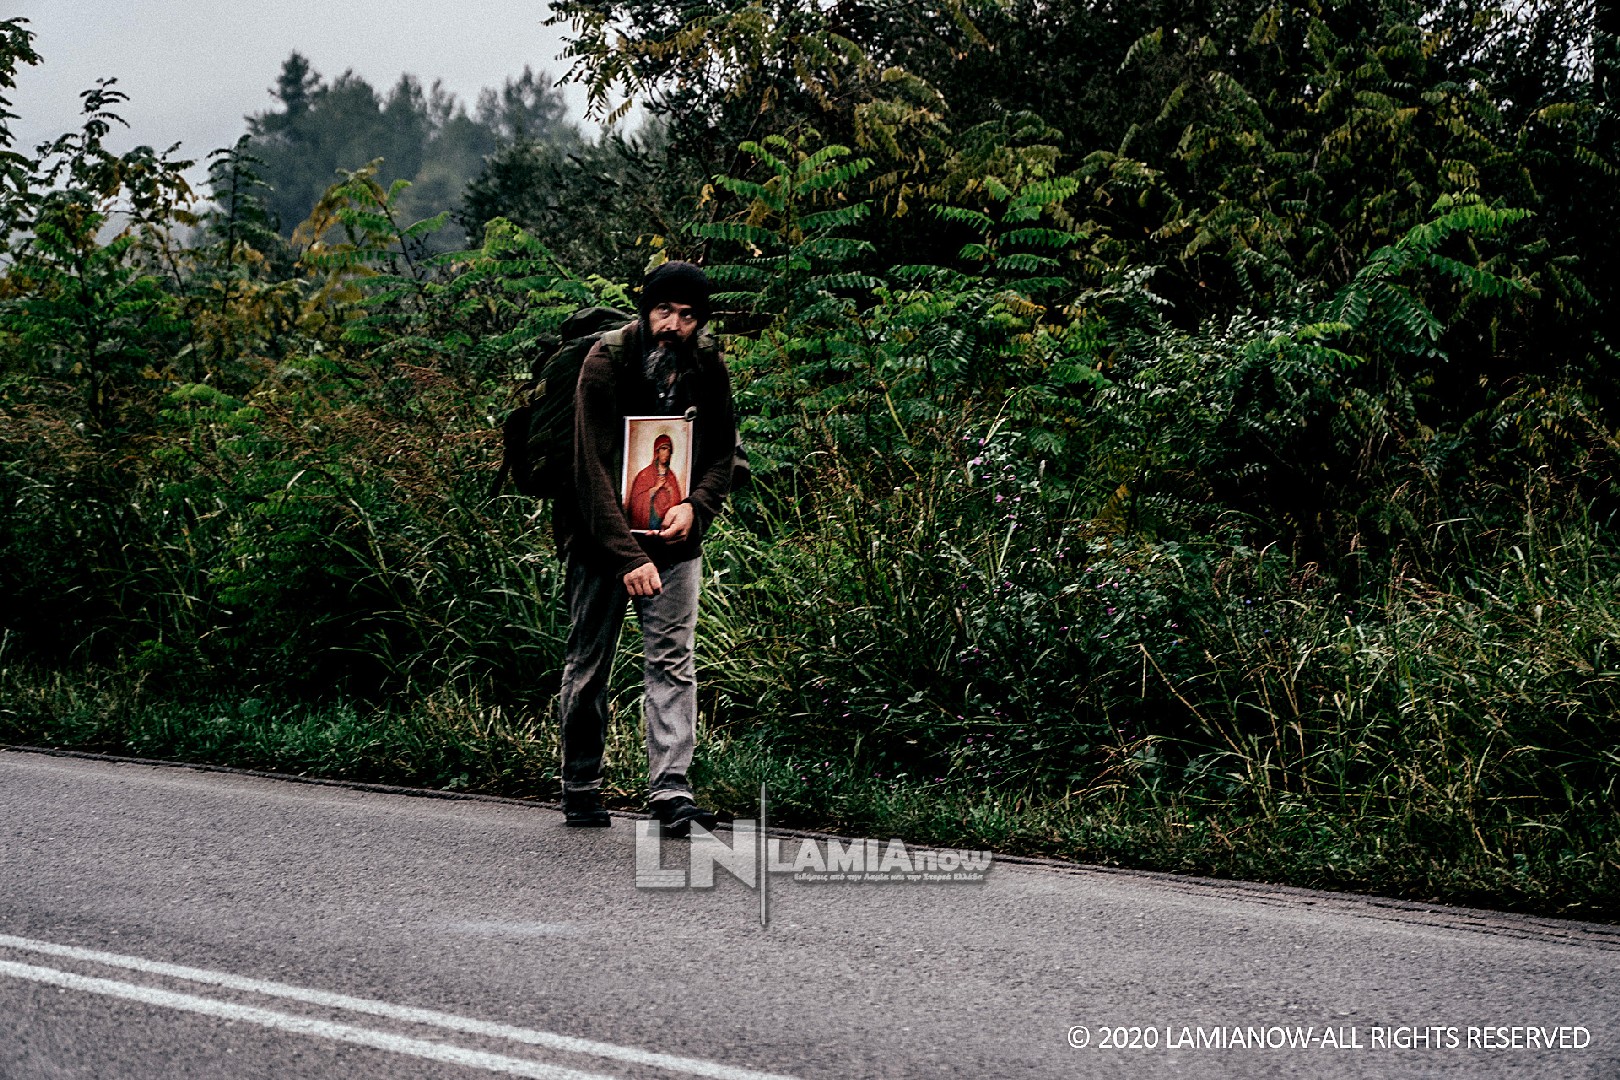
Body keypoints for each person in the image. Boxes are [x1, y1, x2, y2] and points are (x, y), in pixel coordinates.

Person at [552, 261, 736, 835]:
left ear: (699, 322)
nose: (673, 325)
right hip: (599, 541)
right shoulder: (606, 362)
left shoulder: (707, 365)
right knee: (589, 662)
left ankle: (671, 793)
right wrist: (626, 557)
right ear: (646, 310)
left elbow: (722, 451)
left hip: (675, 542)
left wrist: (695, 508)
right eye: (664, 311)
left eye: (687, 315)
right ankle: (580, 781)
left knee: (673, 662)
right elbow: (589, 469)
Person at [625, 432, 684, 532]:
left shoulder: (671, 476)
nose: (667, 453)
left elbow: (678, 502)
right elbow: (636, 502)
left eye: (669, 450)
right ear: (657, 451)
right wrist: (655, 489)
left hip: (667, 524)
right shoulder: (645, 474)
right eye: (664, 448)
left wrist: (671, 491)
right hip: (649, 522)